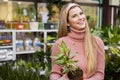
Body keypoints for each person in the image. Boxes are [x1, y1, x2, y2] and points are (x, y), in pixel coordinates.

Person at [50, 3, 105, 80]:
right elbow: (55, 73)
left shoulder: (97, 42)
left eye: (81, 13)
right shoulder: (60, 43)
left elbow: (99, 74)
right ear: (67, 23)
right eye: (74, 16)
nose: (80, 17)